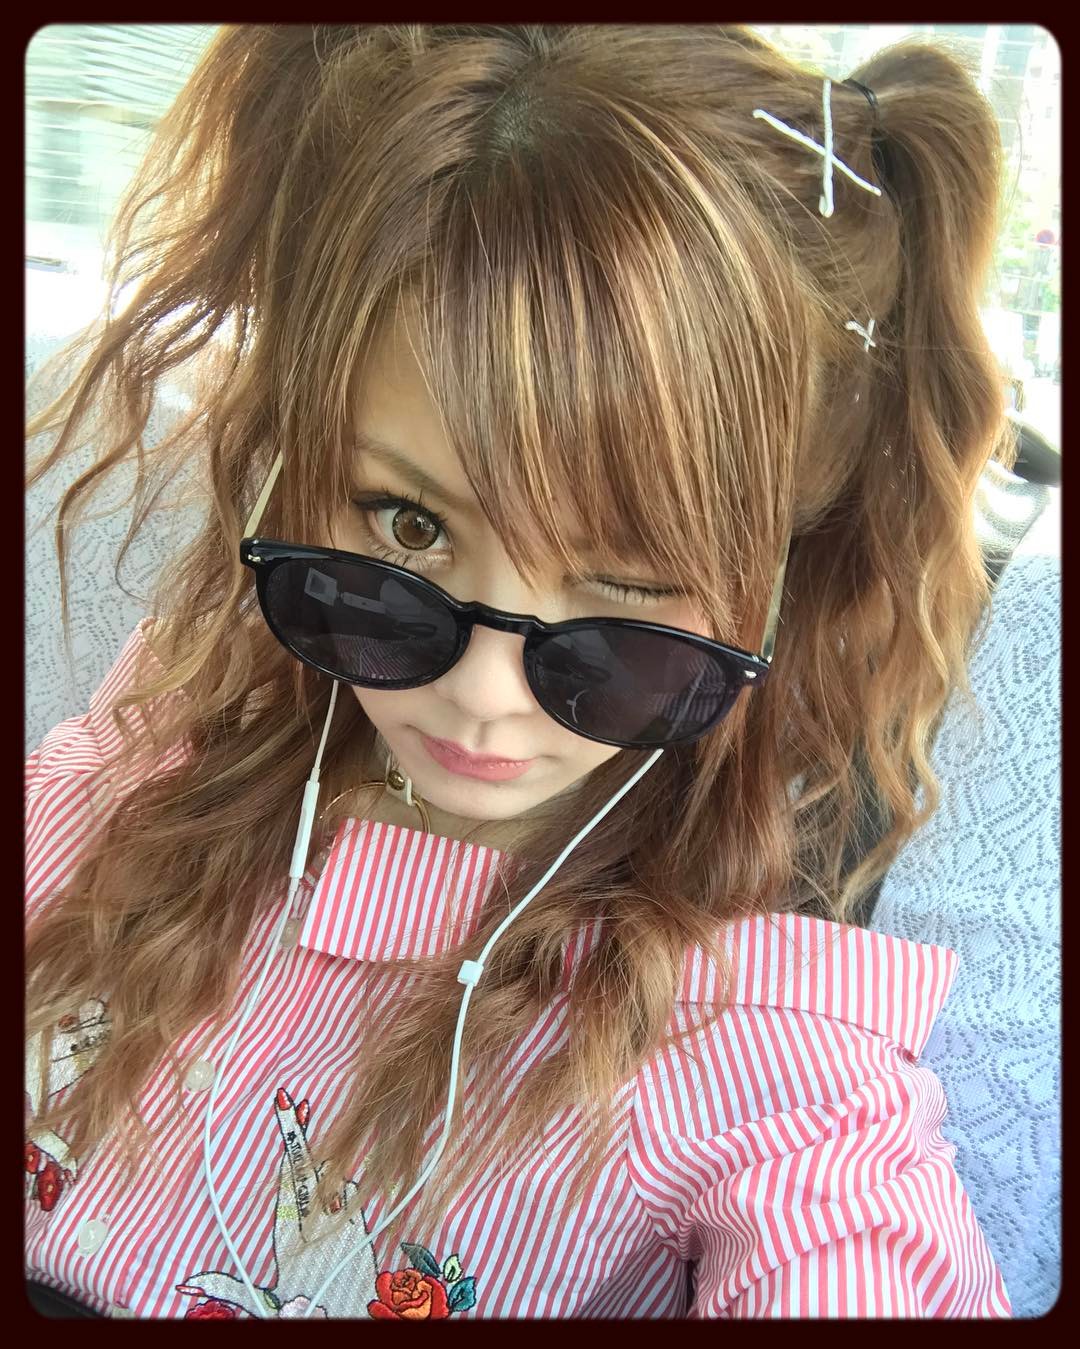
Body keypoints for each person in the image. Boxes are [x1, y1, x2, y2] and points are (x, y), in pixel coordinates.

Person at [25, 24, 1014, 1319]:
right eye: (407, 525)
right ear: (298, 469)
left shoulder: (753, 1050)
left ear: (783, 573)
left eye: (630, 587)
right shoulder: (148, 762)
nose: (485, 696)